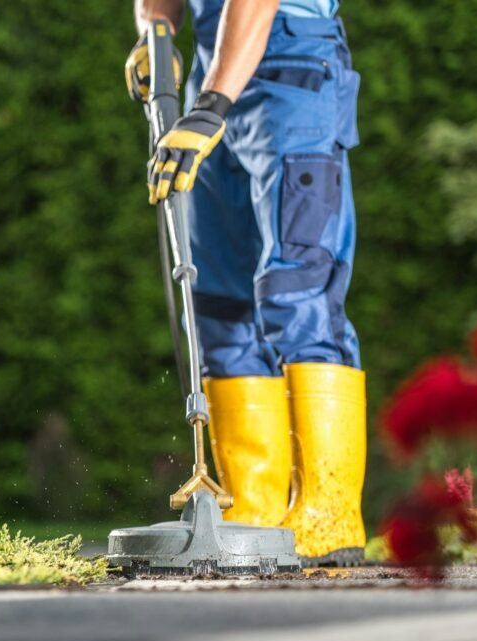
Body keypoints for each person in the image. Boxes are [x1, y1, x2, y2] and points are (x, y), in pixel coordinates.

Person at [126, 0, 365, 566]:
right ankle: (251, 511)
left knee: (297, 287)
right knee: (218, 303)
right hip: (218, 68)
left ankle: (328, 515)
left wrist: (211, 105)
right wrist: (154, 32)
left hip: (290, 61)